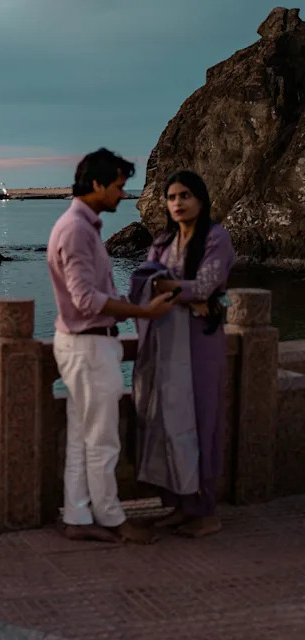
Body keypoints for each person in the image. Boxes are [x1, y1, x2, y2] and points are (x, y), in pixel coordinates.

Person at [47, 148, 177, 544]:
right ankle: (111, 517)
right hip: (88, 345)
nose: (123, 195)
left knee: (82, 436)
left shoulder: (82, 227)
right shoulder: (76, 230)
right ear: (98, 184)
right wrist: (144, 311)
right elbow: (86, 300)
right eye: (119, 186)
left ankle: (77, 516)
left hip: (81, 343)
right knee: (102, 439)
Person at [139, 171, 236, 538]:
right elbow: (145, 283)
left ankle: (205, 509)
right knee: (168, 418)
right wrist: (190, 297)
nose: (178, 203)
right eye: (172, 197)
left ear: (200, 199)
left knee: (201, 419)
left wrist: (171, 289)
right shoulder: (163, 242)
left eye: (185, 195)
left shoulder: (216, 237)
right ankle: (179, 505)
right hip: (167, 344)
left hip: (201, 344)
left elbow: (209, 284)